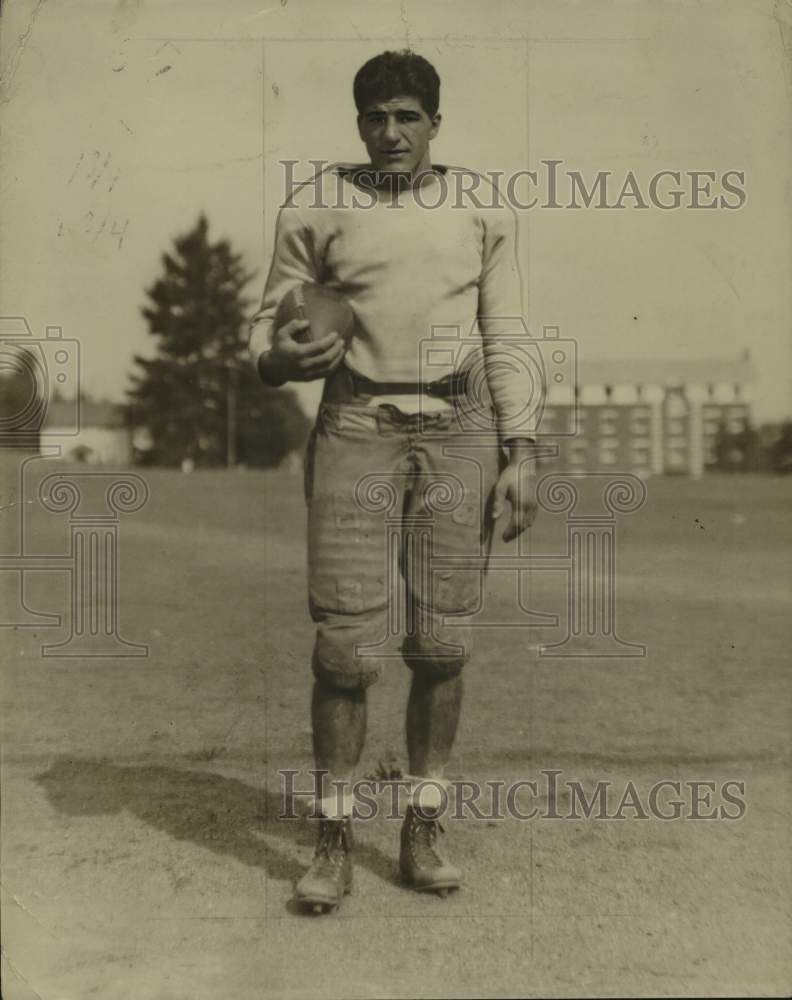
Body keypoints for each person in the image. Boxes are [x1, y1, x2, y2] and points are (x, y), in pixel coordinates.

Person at [249, 49, 539, 912]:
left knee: (443, 645)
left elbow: (507, 330)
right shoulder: (315, 207)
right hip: (355, 423)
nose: (390, 133)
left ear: (436, 124)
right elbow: (268, 328)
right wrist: (279, 358)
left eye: (407, 116)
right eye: (374, 116)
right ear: (357, 123)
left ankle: (422, 821)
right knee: (343, 649)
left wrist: (523, 448)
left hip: (461, 431)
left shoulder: (482, 208)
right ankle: (335, 833)